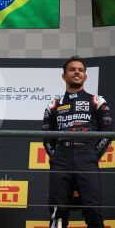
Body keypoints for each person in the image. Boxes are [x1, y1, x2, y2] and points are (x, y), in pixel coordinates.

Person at [42, 56, 113, 228]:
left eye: (81, 70)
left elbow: (107, 133)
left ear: (85, 76)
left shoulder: (97, 101)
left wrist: (91, 155)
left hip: (86, 157)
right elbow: (47, 138)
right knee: (57, 212)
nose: (77, 72)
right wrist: (57, 156)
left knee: (92, 210)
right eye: (72, 69)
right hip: (61, 159)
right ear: (64, 75)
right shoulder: (53, 104)